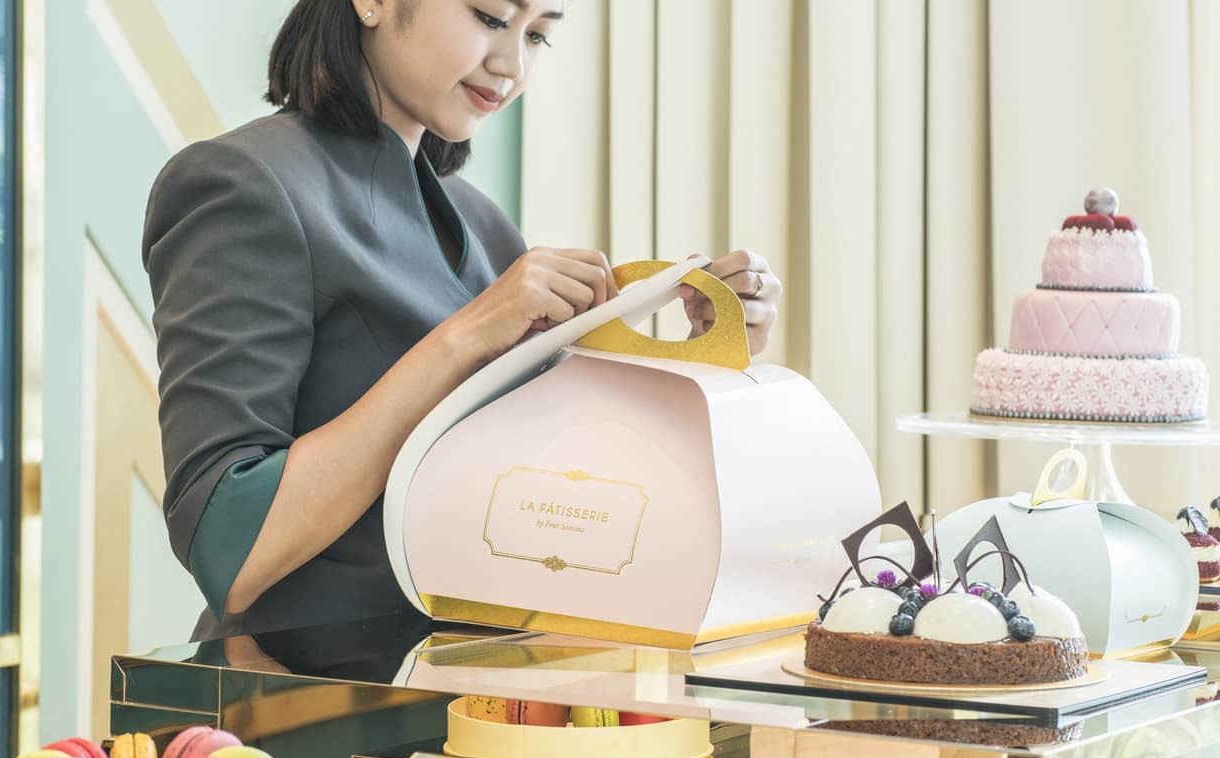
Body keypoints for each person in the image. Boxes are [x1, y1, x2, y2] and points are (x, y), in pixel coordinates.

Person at [143, 0, 785, 639]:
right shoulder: (242, 183)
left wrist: (705, 355)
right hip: (308, 699)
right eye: (489, 18)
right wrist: (467, 337)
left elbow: (565, 491)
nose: (511, 65)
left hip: (479, 697)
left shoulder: (482, 224)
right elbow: (229, 547)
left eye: (538, 36)